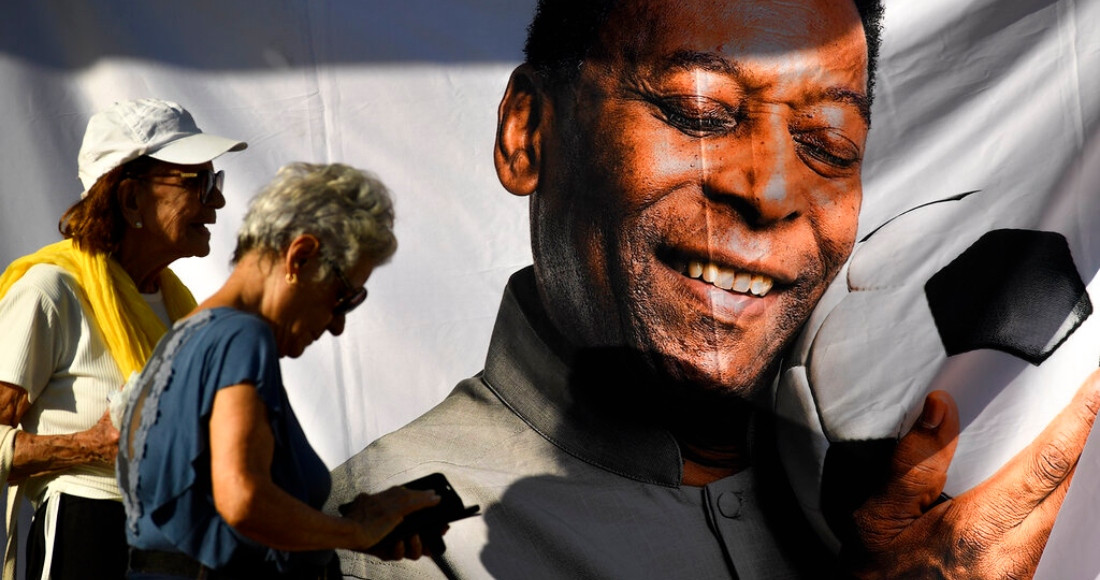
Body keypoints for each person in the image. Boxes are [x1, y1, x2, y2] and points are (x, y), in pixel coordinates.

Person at [326, 0, 1100, 579]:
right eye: (700, 112)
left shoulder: (892, 475)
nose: (768, 190)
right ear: (528, 132)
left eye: (829, 144)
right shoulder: (391, 534)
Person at [116, 162, 442, 580]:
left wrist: (341, 526)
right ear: (300, 256)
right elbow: (243, 500)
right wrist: (354, 532)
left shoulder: (182, 337)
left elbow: (204, 511)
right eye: (344, 296)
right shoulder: (241, 337)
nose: (338, 322)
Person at [0, 97, 246, 580]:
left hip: (178, 543)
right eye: (198, 182)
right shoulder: (52, 291)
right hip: (89, 539)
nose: (216, 200)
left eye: (215, 181)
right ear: (131, 198)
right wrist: (87, 448)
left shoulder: (176, 303)